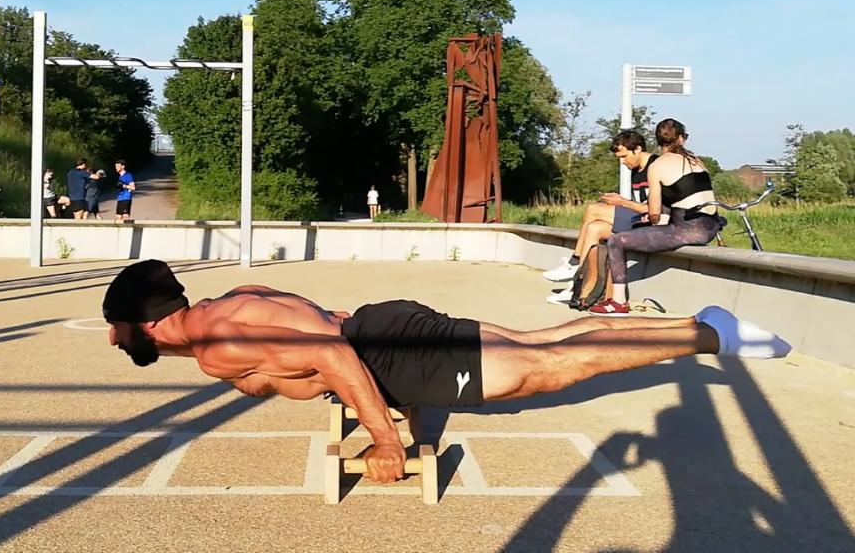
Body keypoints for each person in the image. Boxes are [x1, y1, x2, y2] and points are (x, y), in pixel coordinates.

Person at [102, 259, 791, 484]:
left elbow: (334, 358)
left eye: (118, 327)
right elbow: (326, 324)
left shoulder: (220, 346)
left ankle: (704, 337)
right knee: (543, 339)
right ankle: (688, 324)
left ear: (147, 321)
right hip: (383, 326)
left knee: (547, 369)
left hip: (387, 353)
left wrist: (390, 439)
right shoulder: (229, 304)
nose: (112, 339)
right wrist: (404, 409)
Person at [589, 119, 722, 317]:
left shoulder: (657, 165)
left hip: (688, 230)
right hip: (712, 225)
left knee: (617, 241)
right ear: (681, 138)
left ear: (658, 140)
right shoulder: (697, 161)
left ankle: (618, 302)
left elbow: (654, 213)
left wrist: (648, 221)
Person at [542, 130, 660, 305]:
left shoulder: (656, 167)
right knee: (594, 228)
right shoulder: (636, 170)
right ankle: (578, 287)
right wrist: (621, 202)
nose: (622, 161)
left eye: (624, 156)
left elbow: (657, 209)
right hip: (639, 221)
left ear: (637, 149)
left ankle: (575, 263)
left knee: (593, 209)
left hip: (655, 224)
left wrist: (623, 202)